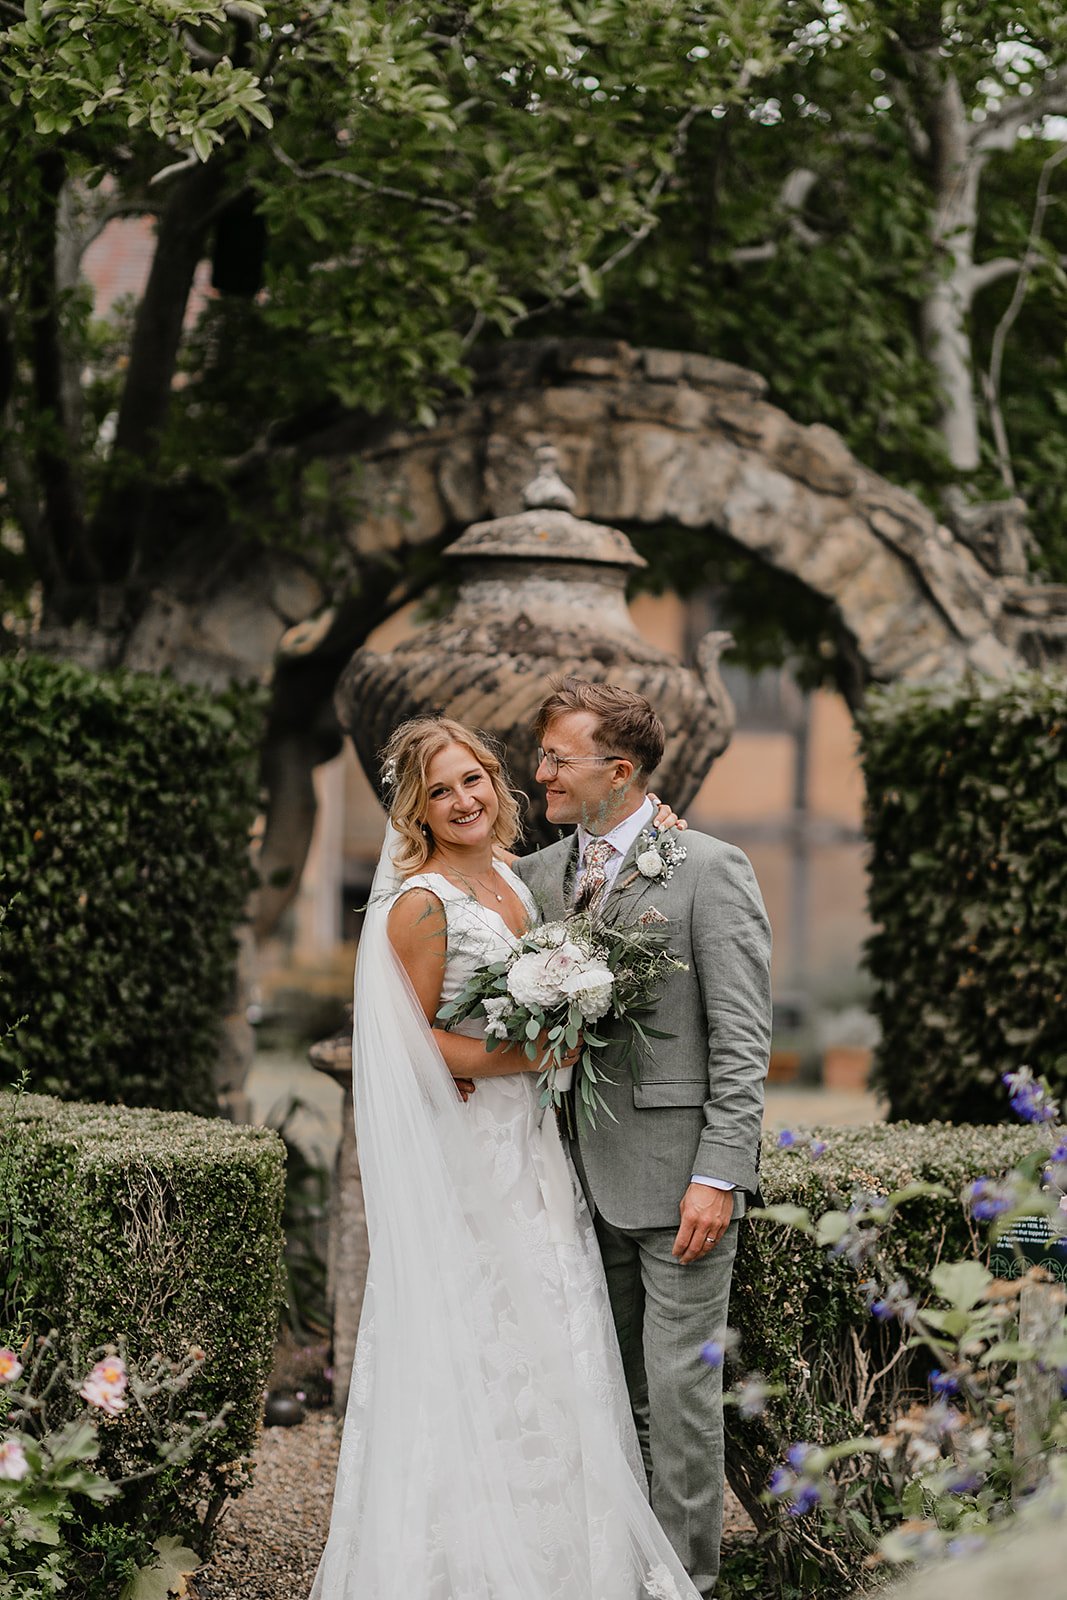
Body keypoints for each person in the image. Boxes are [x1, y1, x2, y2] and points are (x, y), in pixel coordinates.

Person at [310, 714, 702, 1600]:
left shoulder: (519, 880)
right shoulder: (419, 904)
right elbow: (402, 1042)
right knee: (479, 1336)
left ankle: (570, 1563)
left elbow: (606, 857)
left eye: (472, 779)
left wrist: (657, 827)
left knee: (553, 1335)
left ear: (497, 781)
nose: (461, 800)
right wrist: (531, 1053)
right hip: (471, 1160)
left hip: (534, 1148)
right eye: (438, 790)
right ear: (415, 809)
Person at [513, 679, 772, 1600]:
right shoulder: (533, 878)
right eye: (541, 755)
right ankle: (616, 1571)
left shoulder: (709, 868)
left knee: (679, 1395)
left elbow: (741, 1037)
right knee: (604, 1394)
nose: (540, 773)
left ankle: (684, 1582)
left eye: (558, 758)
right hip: (561, 1178)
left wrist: (719, 1172)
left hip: (674, 1184)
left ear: (618, 770)